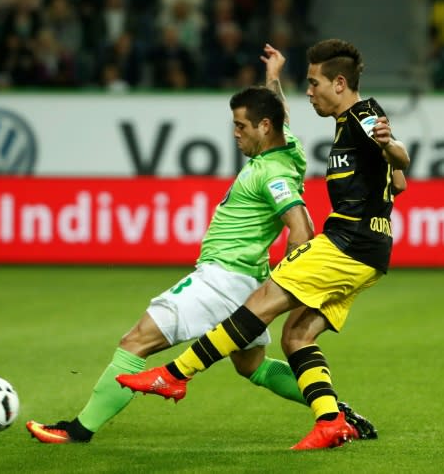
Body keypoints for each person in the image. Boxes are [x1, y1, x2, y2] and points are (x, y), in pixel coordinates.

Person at [25, 43, 378, 444]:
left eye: (241, 126)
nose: (235, 134)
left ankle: (78, 430)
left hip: (221, 280)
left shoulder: (272, 175)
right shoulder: (290, 151)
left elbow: (300, 226)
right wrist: (272, 79)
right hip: (245, 282)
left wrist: (289, 280)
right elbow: (279, 115)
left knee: (135, 341)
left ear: (263, 128)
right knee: (252, 366)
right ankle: (330, 408)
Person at [117, 39, 409, 450]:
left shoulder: (363, 115)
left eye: (313, 83)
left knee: (260, 302)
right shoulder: (344, 126)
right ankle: (331, 421)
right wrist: (273, 77)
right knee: (296, 337)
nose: (309, 92)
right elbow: (397, 180)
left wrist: (392, 149)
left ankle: (175, 375)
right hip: (370, 251)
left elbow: (397, 155)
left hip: (348, 242)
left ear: (339, 83)